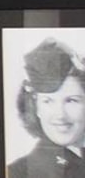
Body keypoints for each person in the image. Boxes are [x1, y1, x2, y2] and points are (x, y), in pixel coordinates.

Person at [8, 38, 85, 178]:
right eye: (48, 101)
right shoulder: (16, 173)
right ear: (35, 107)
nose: (60, 115)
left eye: (71, 100)